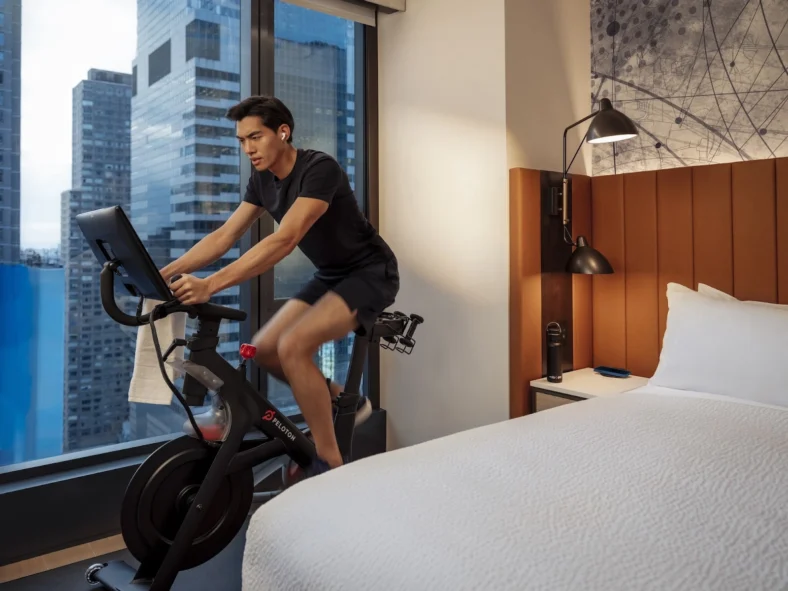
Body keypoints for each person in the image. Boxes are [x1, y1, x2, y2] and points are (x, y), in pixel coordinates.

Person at [159, 95, 399, 478]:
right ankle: (341, 401)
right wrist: (165, 273)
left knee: (293, 345)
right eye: (241, 141)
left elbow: (285, 239)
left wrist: (211, 285)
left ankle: (328, 461)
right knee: (267, 349)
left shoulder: (319, 169)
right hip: (332, 274)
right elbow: (225, 235)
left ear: (283, 132)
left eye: (255, 137)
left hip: (370, 272)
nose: (248, 148)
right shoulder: (262, 180)